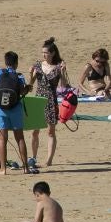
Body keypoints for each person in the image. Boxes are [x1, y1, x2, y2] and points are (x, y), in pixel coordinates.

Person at [27, 38, 69, 170]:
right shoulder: (38, 65)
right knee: (35, 131)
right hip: (38, 100)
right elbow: (30, 85)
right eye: (42, 52)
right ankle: (33, 158)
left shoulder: (58, 67)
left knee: (51, 132)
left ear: (53, 53)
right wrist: (30, 74)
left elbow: (64, 86)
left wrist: (63, 72)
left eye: (46, 52)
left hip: (51, 100)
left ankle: (49, 160)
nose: (43, 55)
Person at [0, 52, 30, 175]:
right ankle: (26, 168)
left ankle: (3, 169)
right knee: (20, 138)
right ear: (16, 63)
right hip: (15, 108)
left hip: (0, 109)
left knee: (2, 139)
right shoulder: (19, 76)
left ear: (5, 62)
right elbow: (22, 92)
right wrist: (28, 88)